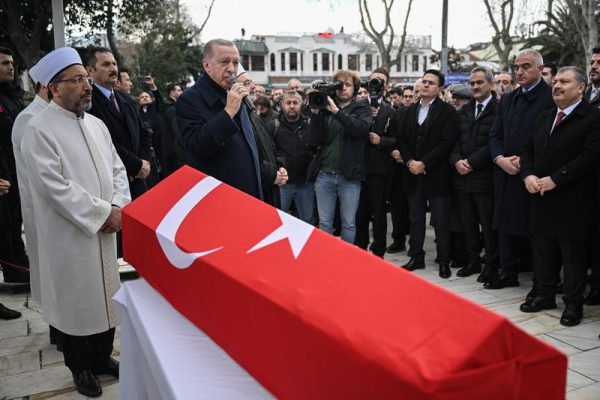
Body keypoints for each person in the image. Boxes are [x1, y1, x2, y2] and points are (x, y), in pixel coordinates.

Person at [21, 47, 131, 398]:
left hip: (105, 230)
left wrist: (118, 206)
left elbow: (117, 169)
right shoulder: (38, 128)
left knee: (105, 299)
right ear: (54, 88)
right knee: (75, 303)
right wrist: (102, 213)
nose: (87, 86)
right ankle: (80, 368)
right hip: (70, 234)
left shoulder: (97, 124)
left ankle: (101, 358)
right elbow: (54, 186)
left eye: (86, 78)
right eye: (77, 80)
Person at [519, 66, 600, 326]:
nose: (556, 85)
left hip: (573, 199)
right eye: (555, 81)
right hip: (540, 195)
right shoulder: (544, 116)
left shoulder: (593, 117)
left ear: (581, 88)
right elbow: (527, 150)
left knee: (572, 256)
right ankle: (544, 295)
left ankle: (573, 304)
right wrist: (528, 175)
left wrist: (556, 179)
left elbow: (591, 156)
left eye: (564, 81)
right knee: (543, 250)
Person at [487, 49, 554, 293]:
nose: (519, 71)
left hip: (534, 173)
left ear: (540, 69)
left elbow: (549, 137)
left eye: (526, 66)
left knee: (536, 230)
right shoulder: (508, 99)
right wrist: (499, 159)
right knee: (504, 224)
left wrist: (524, 162)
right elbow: (495, 134)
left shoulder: (550, 97)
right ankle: (508, 272)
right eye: (516, 67)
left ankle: (542, 282)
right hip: (506, 171)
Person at [176, 39, 262, 198]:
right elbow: (195, 147)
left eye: (235, 63)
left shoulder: (235, 93)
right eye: (224, 62)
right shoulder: (189, 100)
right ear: (207, 65)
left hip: (250, 193)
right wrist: (228, 112)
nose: (231, 69)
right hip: (220, 197)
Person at [396, 69, 458, 278]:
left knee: (440, 221)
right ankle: (416, 256)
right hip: (412, 173)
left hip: (437, 174)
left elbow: (447, 142)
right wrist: (410, 162)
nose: (425, 85)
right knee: (415, 218)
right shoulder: (408, 112)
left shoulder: (448, 112)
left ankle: (443, 260)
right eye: (424, 81)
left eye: (431, 83)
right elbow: (402, 139)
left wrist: (424, 163)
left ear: (439, 88)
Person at [308, 69, 371, 243]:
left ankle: (346, 258)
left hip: (349, 176)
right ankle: (326, 257)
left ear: (355, 88)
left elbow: (358, 129)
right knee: (325, 223)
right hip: (324, 174)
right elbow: (313, 140)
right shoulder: (324, 107)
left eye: (348, 85)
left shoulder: (362, 108)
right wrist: (315, 115)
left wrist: (336, 111)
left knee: (349, 224)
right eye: (339, 85)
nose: (343, 88)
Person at [11, 50, 53, 305]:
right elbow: (37, 173)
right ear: (48, 86)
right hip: (42, 209)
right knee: (50, 277)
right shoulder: (29, 118)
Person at [449, 67, 499, 283]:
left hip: (485, 179)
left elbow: (494, 143)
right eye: (473, 83)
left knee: (488, 227)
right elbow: (453, 141)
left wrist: (471, 162)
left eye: (480, 82)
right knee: (467, 224)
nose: (476, 86)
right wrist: (457, 161)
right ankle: (473, 261)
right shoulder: (464, 111)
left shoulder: (499, 110)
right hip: (462, 178)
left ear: (491, 84)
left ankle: (492, 265)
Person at [85, 47, 152, 199]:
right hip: (115, 186)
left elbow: (143, 131)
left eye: (114, 64)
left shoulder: (124, 98)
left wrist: (144, 163)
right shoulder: (89, 103)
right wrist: (135, 165)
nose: (113, 69)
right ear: (90, 71)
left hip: (139, 180)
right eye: (106, 64)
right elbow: (104, 142)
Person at [355, 68, 397, 258]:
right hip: (358, 168)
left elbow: (396, 139)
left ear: (386, 86)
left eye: (381, 81)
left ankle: (379, 252)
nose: (376, 85)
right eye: (373, 81)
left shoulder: (391, 111)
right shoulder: (358, 106)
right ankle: (360, 250)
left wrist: (381, 141)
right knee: (360, 214)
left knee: (379, 213)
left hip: (379, 170)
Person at [0, 46, 29, 284]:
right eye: (4, 63)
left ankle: (19, 264)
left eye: (11, 63)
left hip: (17, 169)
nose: (11, 67)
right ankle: (13, 268)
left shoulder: (13, 96)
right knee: (5, 223)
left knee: (16, 221)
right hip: (3, 173)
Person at [269, 90, 315, 224]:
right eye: (288, 103)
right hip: (282, 184)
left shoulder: (310, 124)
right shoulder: (273, 126)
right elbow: (270, 152)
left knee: (307, 222)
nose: (292, 106)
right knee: (278, 222)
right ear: (282, 104)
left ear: (302, 104)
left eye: (295, 102)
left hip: (305, 184)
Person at [586, 47, 600, 306]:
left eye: (599, 62)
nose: (594, 66)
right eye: (592, 62)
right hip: (584, 177)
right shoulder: (585, 93)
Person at [160, 83, 185, 177]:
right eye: (179, 90)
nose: (181, 92)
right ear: (172, 93)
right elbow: (177, 131)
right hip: (175, 153)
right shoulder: (172, 109)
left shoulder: (172, 107)